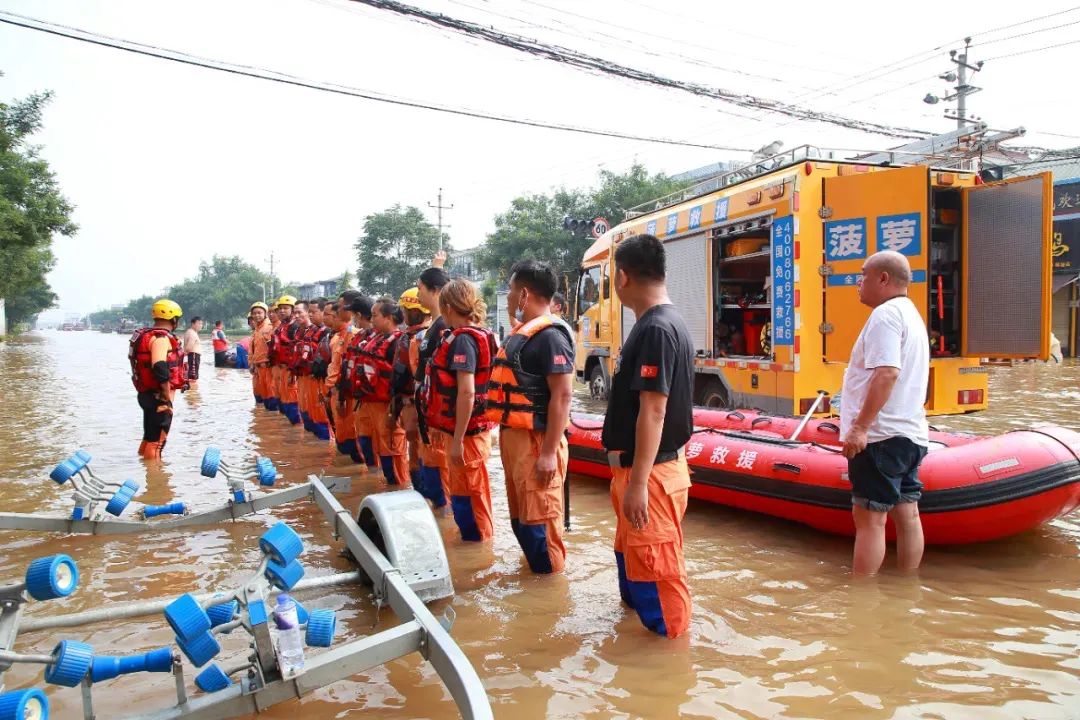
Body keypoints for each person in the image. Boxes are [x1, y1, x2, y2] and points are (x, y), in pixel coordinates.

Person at [601, 234, 694, 639]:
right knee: (636, 568)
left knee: (657, 578)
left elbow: (654, 409)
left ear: (622, 277)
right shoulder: (659, 323)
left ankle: (667, 673)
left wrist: (638, 483)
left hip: (649, 477)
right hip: (644, 473)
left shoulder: (657, 328)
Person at [840, 250, 930, 577]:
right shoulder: (911, 314)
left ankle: (861, 603)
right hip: (910, 434)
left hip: (881, 437)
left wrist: (860, 427)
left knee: (869, 521)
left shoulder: (886, 315)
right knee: (908, 516)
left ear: (883, 279)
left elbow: (886, 373)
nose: (858, 283)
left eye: (863, 275)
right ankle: (907, 587)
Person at [486, 260, 574, 574]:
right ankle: (534, 587)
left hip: (537, 443)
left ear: (524, 294)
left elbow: (563, 396)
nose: (509, 297)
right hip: (516, 438)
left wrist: (549, 452)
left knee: (541, 530)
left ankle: (551, 602)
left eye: (511, 291)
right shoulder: (523, 334)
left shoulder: (550, 337)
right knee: (522, 522)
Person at [419, 279, 499, 542]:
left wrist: (456, 441)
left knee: (472, 501)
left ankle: (480, 557)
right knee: (463, 499)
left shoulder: (464, 340)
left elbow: (467, 392)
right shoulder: (464, 336)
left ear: (449, 307)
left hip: (467, 436)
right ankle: (471, 555)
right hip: (464, 433)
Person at [357, 297, 410, 485]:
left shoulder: (397, 343)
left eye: (375, 315)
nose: (371, 320)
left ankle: (400, 489)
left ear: (388, 317)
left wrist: (394, 410)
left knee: (393, 451)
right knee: (381, 449)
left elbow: (400, 379)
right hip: (371, 402)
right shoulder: (375, 338)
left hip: (387, 405)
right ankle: (386, 487)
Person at [129, 299, 188, 459]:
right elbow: (159, 366)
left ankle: (144, 466)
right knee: (157, 442)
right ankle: (156, 478)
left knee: (149, 437)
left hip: (147, 394)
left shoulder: (149, 336)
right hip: (158, 398)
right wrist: (165, 396)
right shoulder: (161, 339)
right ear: (174, 319)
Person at [414, 263, 452, 508]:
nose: (417, 295)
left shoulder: (444, 328)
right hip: (427, 416)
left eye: (420, 289)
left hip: (440, 422)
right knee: (431, 481)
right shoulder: (432, 328)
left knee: (444, 489)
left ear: (435, 290)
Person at [395, 287, 431, 487]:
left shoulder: (426, 336)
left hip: (420, 405)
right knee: (413, 448)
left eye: (407, 310)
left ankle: (429, 495)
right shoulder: (407, 336)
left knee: (423, 451)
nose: (404, 314)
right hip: (408, 403)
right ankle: (418, 491)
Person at [342, 295, 379, 471]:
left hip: (377, 401)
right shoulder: (360, 336)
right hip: (361, 399)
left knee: (381, 447)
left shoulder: (380, 337)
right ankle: (372, 482)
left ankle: (386, 486)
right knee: (365, 442)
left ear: (358, 314)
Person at [327, 295, 363, 463]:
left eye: (341, 306)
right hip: (335, 391)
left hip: (346, 394)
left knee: (354, 441)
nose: (338, 309)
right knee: (341, 437)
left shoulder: (355, 335)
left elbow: (349, 368)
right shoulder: (337, 337)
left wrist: (341, 394)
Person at [270, 295, 301, 425]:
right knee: (283, 404)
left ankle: (297, 433)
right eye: (280, 308)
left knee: (293, 406)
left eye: (286, 308)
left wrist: (293, 372)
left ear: (292, 310)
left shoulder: (295, 327)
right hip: (280, 369)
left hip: (289, 370)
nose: (282, 311)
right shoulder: (281, 326)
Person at [182, 317, 204, 385]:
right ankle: (192, 394)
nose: (201, 325)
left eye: (201, 324)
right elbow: (188, 348)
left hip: (192, 356)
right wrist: (185, 357)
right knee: (192, 379)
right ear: (193, 324)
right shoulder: (192, 333)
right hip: (193, 356)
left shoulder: (190, 332)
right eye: (199, 323)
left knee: (191, 377)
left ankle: (191, 394)